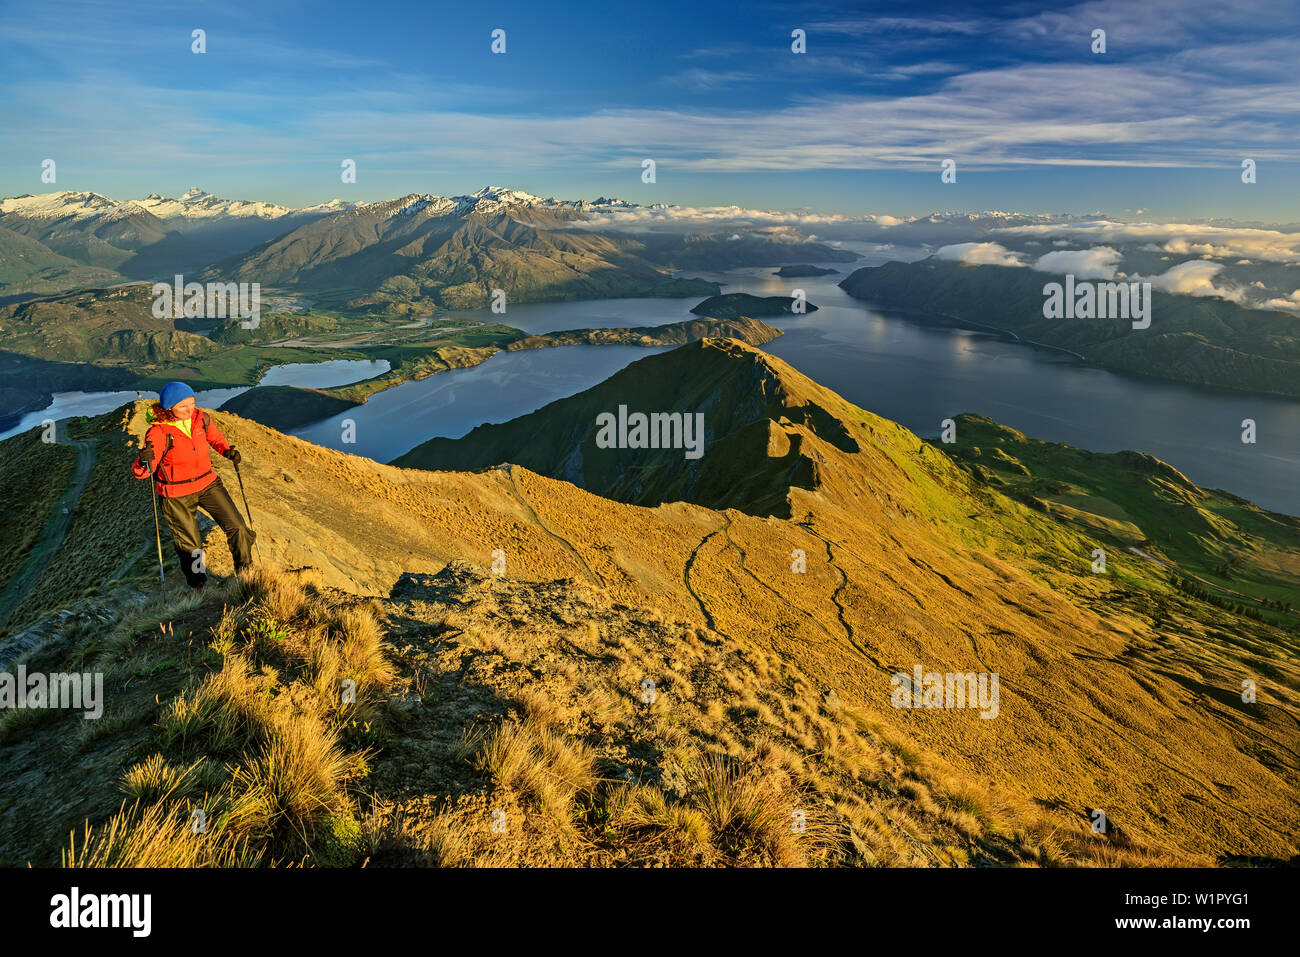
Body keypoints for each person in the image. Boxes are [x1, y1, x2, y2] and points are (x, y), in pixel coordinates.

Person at [131, 381, 256, 591]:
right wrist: (143, 460)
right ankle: (200, 585)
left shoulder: (201, 419)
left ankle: (246, 573)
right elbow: (143, 472)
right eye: (183, 406)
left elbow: (215, 438)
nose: (190, 409)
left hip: (208, 484)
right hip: (176, 494)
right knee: (192, 547)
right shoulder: (158, 432)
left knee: (239, 528)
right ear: (169, 408)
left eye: (192, 402)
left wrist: (226, 451)